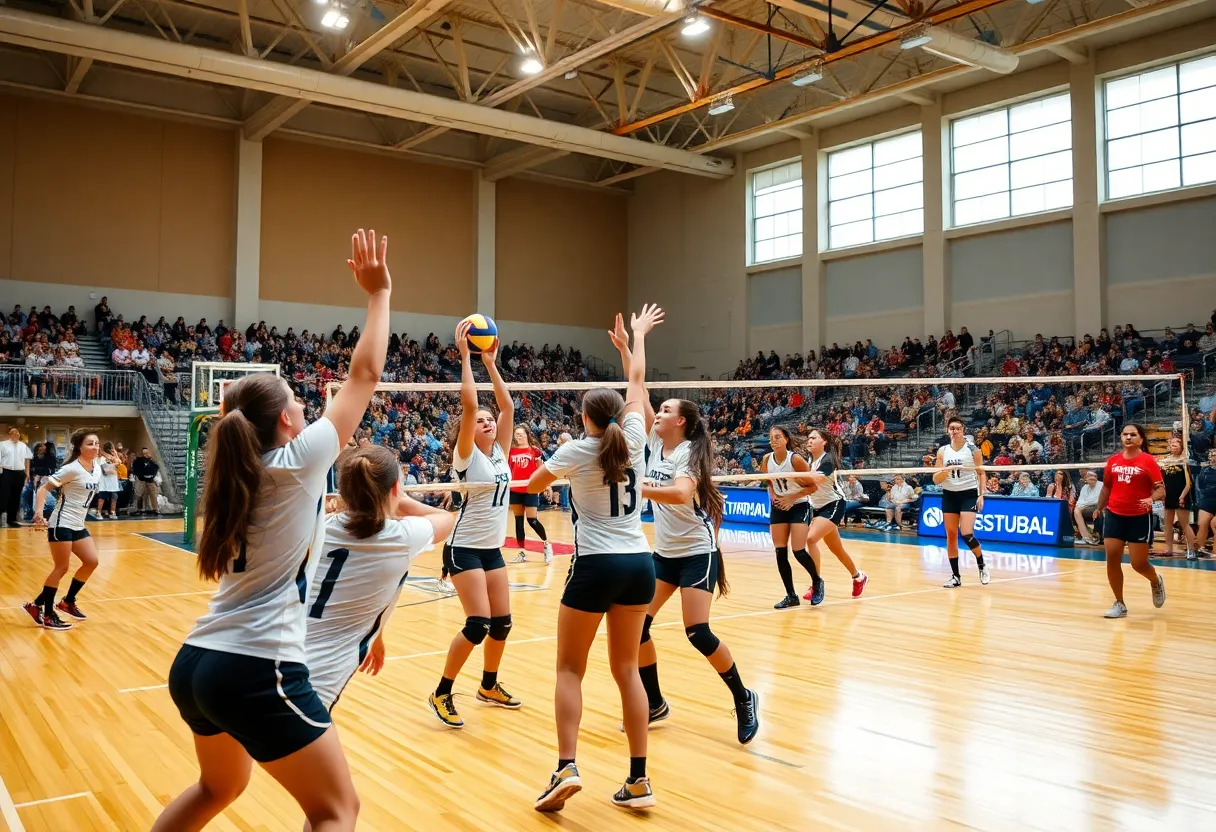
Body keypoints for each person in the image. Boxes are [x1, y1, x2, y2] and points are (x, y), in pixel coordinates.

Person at [151, 228, 391, 832]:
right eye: (302, 409)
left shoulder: (235, 474)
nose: (310, 416)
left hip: (197, 661)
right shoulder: (294, 463)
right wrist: (379, 293)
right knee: (337, 810)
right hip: (255, 666)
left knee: (218, 787)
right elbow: (363, 374)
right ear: (287, 420)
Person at [527, 304, 662, 812]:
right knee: (627, 670)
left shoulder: (573, 451)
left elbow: (531, 486)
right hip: (638, 564)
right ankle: (639, 779)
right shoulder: (633, 438)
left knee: (568, 670)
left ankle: (566, 767)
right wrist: (636, 341)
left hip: (596, 564)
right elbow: (638, 384)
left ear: (584, 417)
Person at [636, 385, 759, 744]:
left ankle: (743, 696)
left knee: (697, 632)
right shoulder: (657, 445)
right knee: (638, 628)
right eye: (657, 410)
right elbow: (638, 392)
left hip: (697, 552)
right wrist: (633, 345)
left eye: (665, 410)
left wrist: (636, 487)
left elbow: (679, 494)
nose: (657, 414)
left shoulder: (688, 452)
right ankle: (655, 703)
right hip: (665, 553)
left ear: (681, 421)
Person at [306, 444, 455, 713]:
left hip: (269, 655)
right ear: (395, 488)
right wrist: (399, 501)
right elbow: (445, 517)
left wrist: (377, 635)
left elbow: (357, 591)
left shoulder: (320, 527)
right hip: (310, 679)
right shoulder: (401, 537)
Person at [428, 320, 520, 729]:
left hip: (490, 548)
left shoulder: (500, 452)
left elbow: (509, 409)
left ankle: (488, 685)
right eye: (480, 420)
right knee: (478, 624)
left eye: (489, 420)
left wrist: (491, 363)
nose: (487, 422)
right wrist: (466, 358)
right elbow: (469, 406)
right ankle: (442, 691)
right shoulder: (467, 457)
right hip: (463, 548)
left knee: (502, 624)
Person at [23, 429, 102, 630]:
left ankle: (66, 601)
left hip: (78, 524)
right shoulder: (71, 469)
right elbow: (43, 489)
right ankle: (48, 614)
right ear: (79, 447)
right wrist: (39, 513)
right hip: (61, 523)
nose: (95, 446)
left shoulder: (97, 466)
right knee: (62, 567)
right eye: (90, 443)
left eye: (97, 443)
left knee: (91, 561)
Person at [1095, 424, 1167, 619]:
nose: (1128, 437)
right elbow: (1106, 488)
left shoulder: (1148, 461)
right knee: (1112, 557)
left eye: (1132, 434)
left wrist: (1151, 499)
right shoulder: (1113, 461)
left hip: (1139, 517)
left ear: (1140, 439)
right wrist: (1099, 507)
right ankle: (1119, 603)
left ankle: (1155, 580)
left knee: (1138, 564)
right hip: (1114, 515)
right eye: (1125, 434)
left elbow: (1161, 490)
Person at [787, 428, 868, 601]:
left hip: (834, 504)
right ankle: (858, 576)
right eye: (808, 438)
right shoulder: (808, 460)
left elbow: (815, 481)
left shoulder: (829, 460)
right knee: (836, 549)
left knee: (810, 539)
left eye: (814, 438)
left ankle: (816, 583)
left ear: (824, 441)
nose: (809, 441)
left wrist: (791, 478)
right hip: (816, 507)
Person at [762, 426, 820, 608]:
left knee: (798, 551)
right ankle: (791, 595)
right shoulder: (766, 459)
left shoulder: (795, 460)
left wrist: (791, 498)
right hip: (779, 506)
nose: (774, 440)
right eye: (771, 438)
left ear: (786, 439)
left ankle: (817, 582)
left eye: (778, 437)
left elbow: (813, 487)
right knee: (780, 552)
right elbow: (768, 482)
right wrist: (773, 495)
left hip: (799, 504)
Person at [933, 417, 990, 587]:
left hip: (968, 494)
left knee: (966, 533)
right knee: (951, 536)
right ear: (947, 431)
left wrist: (981, 495)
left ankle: (981, 564)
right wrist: (945, 472)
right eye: (951, 428)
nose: (954, 431)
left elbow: (981, 473)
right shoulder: (942, 451)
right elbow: (936, 478)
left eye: (957, 428)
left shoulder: (973, 450)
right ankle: (955, 576)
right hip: (949, 494)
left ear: (963, 430)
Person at [508, 425, 552, 564]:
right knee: (518, 522)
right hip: (515, 490)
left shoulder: (535, 451)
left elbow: (541, 470)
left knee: (532, 520)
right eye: (516, 435)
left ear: (527, 435)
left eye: (521, 434)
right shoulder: (511, 452)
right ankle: (521, 553)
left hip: (530, 489)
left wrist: (546, 486)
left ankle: (546, 544)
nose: (518, 437)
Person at [1157, 436, 1197, 559]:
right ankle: (1168, 548)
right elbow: (1162, 480)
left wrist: (1182, 496)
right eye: (1172, 443)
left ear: (1181, 446)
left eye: (1176, 444)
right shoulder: (1165, 461)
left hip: (1181, 495)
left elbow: (1189, 482)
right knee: (1167, 524)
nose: (1173, 446)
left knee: (1184, 524)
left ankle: (1192, 549)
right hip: (1168, 495)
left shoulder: (1184, 461)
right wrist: (1162, 494)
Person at [0, 426, 32, 527]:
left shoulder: (23, 445)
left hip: (19, 473)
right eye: (14, 433)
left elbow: (27, 459)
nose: (17, 435)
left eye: (18, 433)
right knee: (3, 496)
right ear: (10, 434)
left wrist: (27, 472)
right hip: (5, 472)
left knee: (16, 496)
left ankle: (12, 520)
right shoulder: (2, 445)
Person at [1192, 447, 1216, 556]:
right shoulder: (1205, 470)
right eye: (1211, 456)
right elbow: (1200, 486)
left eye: (1215, 455)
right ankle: (1199, 549)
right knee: (1202, 524)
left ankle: (1215, 550)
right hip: (1207, 501)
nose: (1212, 458)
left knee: (1214, 524)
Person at [1074, 470, 1102, 544]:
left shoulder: (1101, 485)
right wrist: (1082, 505)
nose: (1093, 478)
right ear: (1086, 479)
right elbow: (1080, 501)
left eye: (1094, 477)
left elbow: (1097, 500)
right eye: (1090, 477)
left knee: (1098, 511)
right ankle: (1086, 536)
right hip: (1085, 507)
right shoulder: (1084, 488)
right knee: (1074, 511)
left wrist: (1084, 504)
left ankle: (1096, 536)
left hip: (1099, 506)